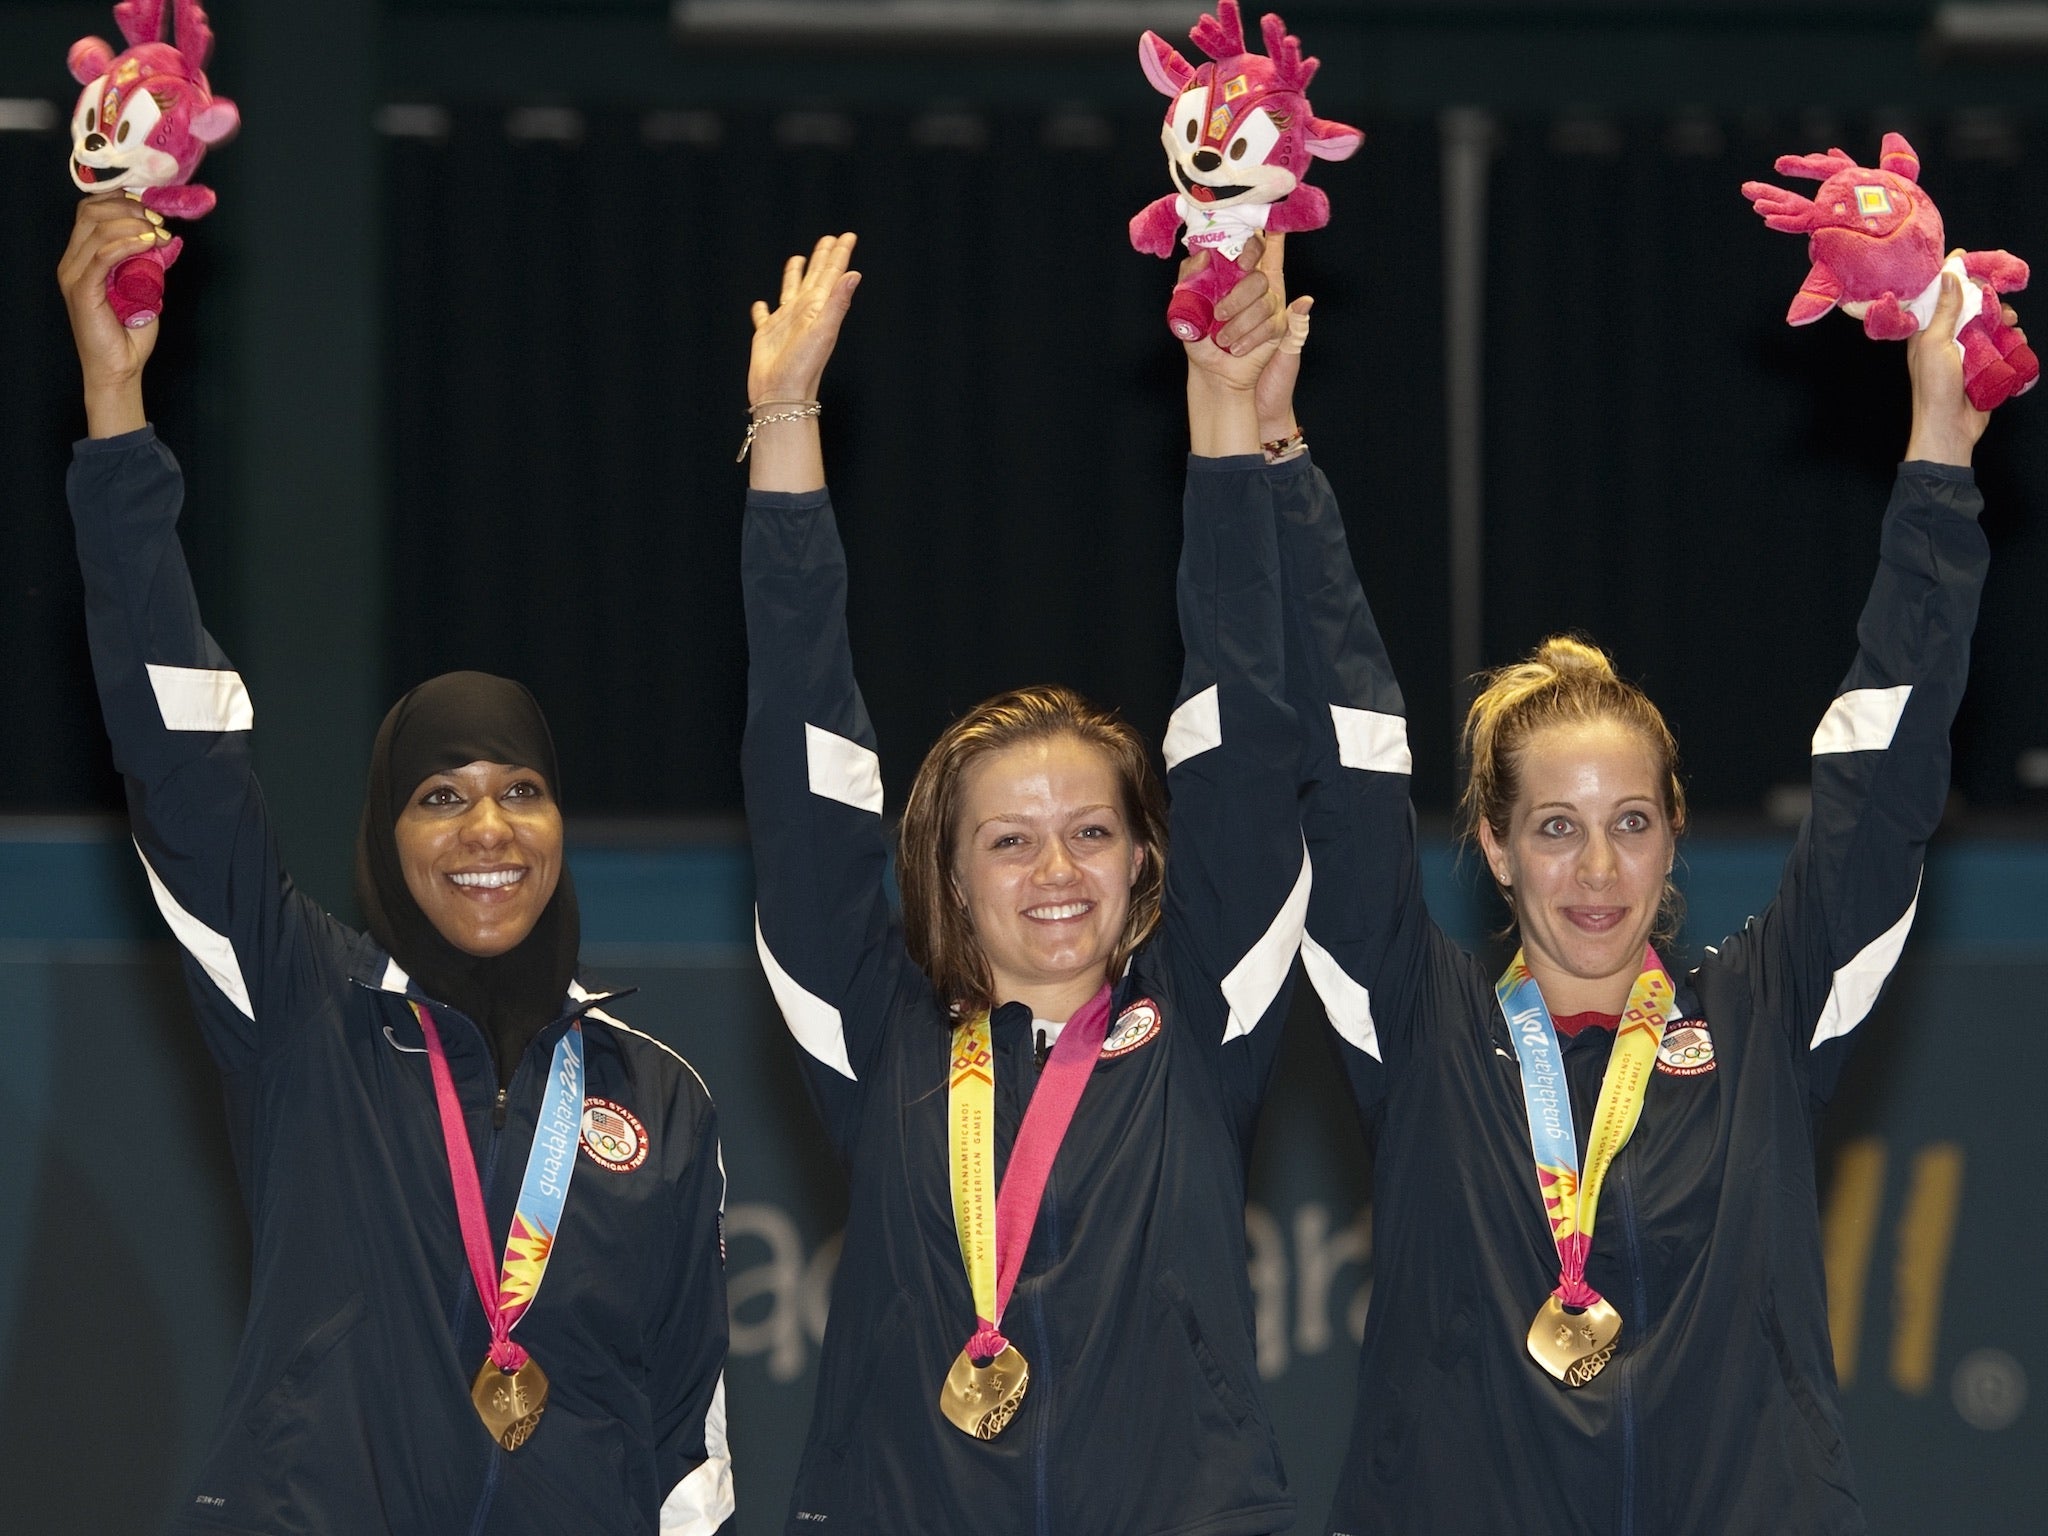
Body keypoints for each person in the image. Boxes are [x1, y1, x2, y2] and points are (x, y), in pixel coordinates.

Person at [1263, 261, 2002, 1533]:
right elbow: (1342, 757)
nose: (1596, 870)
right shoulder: (1426, 1033)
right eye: (1554, 829)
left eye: (1629, 824)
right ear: (1493, 847)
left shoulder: (1763, 1017)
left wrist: (1937, 453)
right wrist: (1274, 458)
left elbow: (1880, 777)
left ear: (1671, 839)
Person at [57, 196, 733, 1535]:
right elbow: (180, 764)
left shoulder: (657, 1097)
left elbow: (688, 1442)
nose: (488, 831)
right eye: (440, 798)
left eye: (521, 792)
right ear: (383, 834)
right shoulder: (303, 1010)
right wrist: (116, 411)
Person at [740, 233, 1308, 1534]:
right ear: (947, 872)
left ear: (1145, 855)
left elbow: (1242, 725)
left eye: (1091, 832)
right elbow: (801, 762)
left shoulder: (1204, 1020)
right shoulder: (877, 1032)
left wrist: (1222, 407)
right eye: (1007, 841)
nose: (1056, 870)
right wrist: (784, 425)